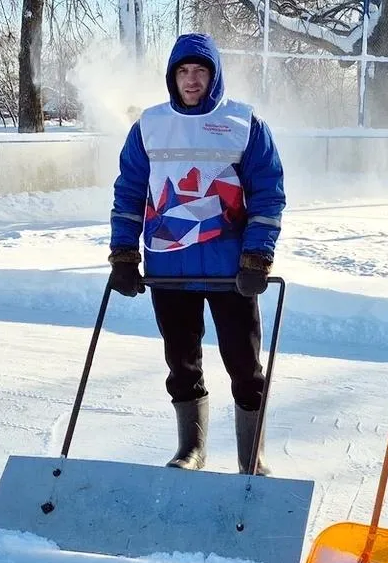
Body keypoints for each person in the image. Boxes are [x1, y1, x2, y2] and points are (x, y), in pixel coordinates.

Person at [107, 33, 286, 475]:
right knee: (181, 364)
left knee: (245, 367)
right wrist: (124, 254)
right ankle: (192, 450)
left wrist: (257, 257)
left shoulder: (245, 123)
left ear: (214, 75)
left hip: (231, 272)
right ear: (172, 76)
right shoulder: (149, 125)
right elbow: (129, 192)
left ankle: (252, 459)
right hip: (170, 269)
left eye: (200, 71)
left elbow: (268, 192)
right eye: (183, 71)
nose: (191, 80)